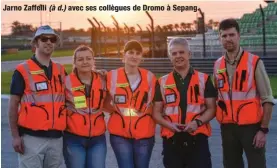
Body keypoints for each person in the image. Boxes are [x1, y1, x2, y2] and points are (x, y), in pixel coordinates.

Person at [214, 18, 275, 168]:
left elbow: (267, 99)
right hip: (228, 128)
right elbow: (219, 95)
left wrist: (263, 129)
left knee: (257, 165)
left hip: (251, 128)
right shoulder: (217, 64)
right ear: (220, 38)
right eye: (224, 36)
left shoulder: (254, 62)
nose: (228, 39)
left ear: (239, 36)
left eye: (231, 35)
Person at [152, 37, 217, 168]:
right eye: (174, 53)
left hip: (197, 139)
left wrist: (197, 122)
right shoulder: (162, 82)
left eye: (181, 52)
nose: (178, 56)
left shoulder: (204, 79)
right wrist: (169, 125)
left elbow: (212, 109)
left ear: (189, 54)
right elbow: (156, 113)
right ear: (170, 56)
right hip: (172, 141)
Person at [8, 25, 67, 168]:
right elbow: (13, 105)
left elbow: (76, 91)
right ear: (35, 43)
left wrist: (99, 75)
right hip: (31, 140)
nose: (48, 42)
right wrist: (15, 136)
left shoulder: (61, 70)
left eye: (52, 39)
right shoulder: (22, 70)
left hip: (56, 139)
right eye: (44, 39)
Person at [106, 40, 157, 168]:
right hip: (119, 135)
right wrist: (116, 111)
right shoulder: (111, 76)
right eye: (131, 52)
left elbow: (156, 105)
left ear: (141, 57)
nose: (134, 56)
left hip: (144, 134)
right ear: (123, 55)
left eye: (138, 53)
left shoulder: (150, 77)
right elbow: (104, 102)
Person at [63, 45, 112, 168]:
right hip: (74, 138)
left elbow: (107, 103)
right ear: (74, 62)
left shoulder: (103, 80)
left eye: (88, 58)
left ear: (93, 60)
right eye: (80, 59)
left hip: (98, 138)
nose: (85, 62)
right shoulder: (66, 82)